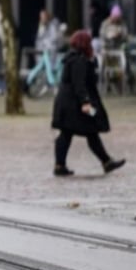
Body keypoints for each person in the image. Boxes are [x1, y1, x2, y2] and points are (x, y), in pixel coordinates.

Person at [51, 30, 125, 176]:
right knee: (88, 132)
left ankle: (61, 165)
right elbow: (80, 85)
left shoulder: (73, 58)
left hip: (67, 104)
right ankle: (105, 161)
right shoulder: (79, 60)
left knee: (69, 133)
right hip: (74, 105)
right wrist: (85, 102)